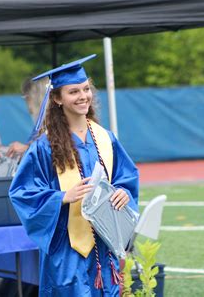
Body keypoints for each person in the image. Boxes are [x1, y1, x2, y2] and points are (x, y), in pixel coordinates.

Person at [9, 54, 139, 296]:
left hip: (104, 244)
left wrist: (123, 193)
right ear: (57, 98)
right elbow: (21, 192)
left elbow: (126, 178)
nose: (83, 96)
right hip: (66, 250)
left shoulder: (105, 139)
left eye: (86, 89)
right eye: (74, 91)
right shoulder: (44, 146)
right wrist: (61, 197)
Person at [0, 76, 49, 159]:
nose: (26, 103)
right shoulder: (40, 126)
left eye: (26, 98)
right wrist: (6, 150)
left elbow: (54, 154)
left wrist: (26, 149)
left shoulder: (56, 124)